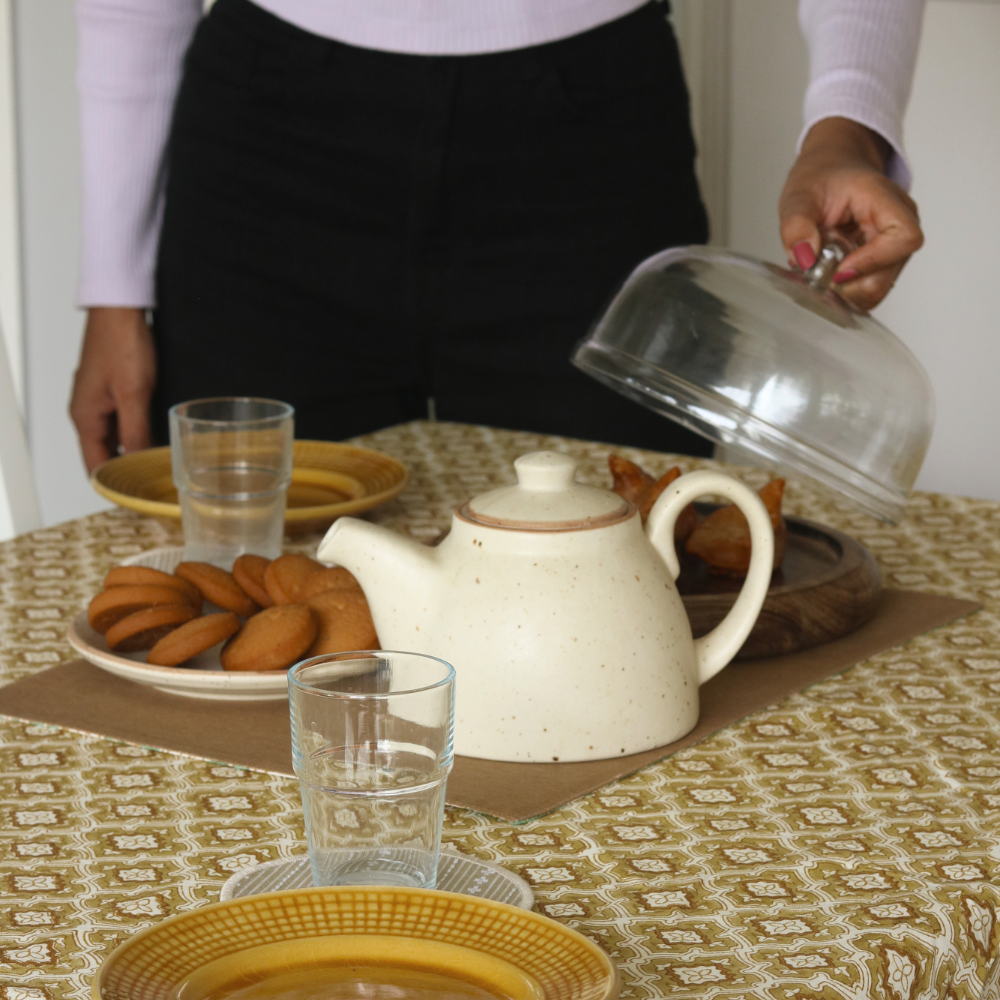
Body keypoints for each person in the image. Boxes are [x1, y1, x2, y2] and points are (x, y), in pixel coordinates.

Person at [69, 0, 925, 473]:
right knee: (249, 599)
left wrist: (848, 124)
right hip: (268, 164)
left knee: (622, 596)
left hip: (588, 145)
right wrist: (115, 291)